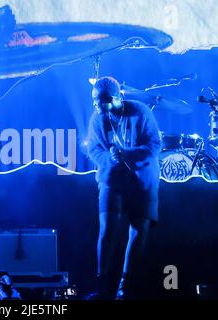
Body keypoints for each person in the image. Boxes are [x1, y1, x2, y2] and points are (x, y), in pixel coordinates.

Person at [86, 76, 161, 299]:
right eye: (93, 101)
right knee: (107, 228)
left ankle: (125, 285)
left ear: (116, 97)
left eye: (100, 101)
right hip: (113, 179)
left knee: (139, 230)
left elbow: (154, 145)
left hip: (142, 180)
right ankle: (103, 285)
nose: (96, 106)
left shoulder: (141, 112)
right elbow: (93, 150)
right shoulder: (97, 119)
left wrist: (128, 153)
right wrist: (109, 158)